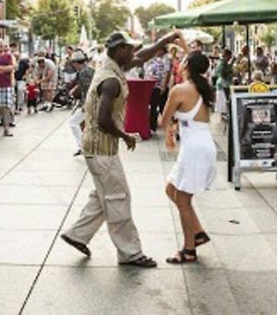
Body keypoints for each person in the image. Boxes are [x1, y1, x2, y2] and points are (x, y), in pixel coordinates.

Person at [61, 30, 181, 268]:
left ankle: (77, 234)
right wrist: (125, 136)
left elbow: (142, 57)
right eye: (129, 48)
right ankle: (130, 253)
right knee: (118, 198)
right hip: (101, 149)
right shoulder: (111, 81)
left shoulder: (113, 67)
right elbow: (103, 119)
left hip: (98, 147)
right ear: (117, 50)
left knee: (103, 195)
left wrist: (164, 40)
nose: (133, 52)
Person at [160, 48, 216, 264]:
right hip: (202, 144)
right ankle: (198, 232)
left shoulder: (179, 90)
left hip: (193, 149)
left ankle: (189, 249)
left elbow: (162, 121)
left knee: (183, 199)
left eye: (183, 61)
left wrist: (169, 128)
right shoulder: (204, 88)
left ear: (186, 66)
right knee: (170, 189)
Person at [68, 50, 95, 156]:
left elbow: (89, 89)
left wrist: (85, 104)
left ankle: (83, 147)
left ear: (76, 62)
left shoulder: (84, 72)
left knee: (73, 122)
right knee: (85, 124)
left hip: (89, 102)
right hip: (91, 101)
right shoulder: (87, 70)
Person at [146, 46, 171, 131]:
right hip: (152, 85)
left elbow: (167, 72)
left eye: (158, 49)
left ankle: (168, 126)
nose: (156, 52)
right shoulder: (154, 59)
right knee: (153, 106)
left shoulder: (166, 58)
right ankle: (152, 126)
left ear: (162, 50)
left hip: (160, 87)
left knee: (162, 107)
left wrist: (163, 86)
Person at [215, 49, 233, 115]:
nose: (230, 58)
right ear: (226, 55)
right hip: (223, 84)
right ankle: (224, 114)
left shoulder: (223, 62)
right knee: (223, 101)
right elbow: (222, 73)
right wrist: (231, 72)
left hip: (223, 84)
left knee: (223, 101)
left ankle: (224, 113)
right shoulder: (222, 63)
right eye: (229, 56)